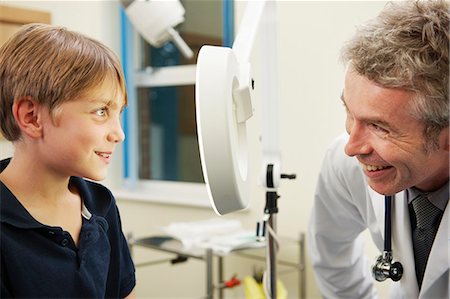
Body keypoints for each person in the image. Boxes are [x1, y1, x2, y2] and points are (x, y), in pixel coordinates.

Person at [308, 1, 448, 298]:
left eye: (379, 127)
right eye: (349, 113)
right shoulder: (346, 164)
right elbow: (332, 257)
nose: (352, 147)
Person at [0, 23, 136, 298]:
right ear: (32, 118)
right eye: (100, 111)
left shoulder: (100, 205)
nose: (119, 134)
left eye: (118, 112)